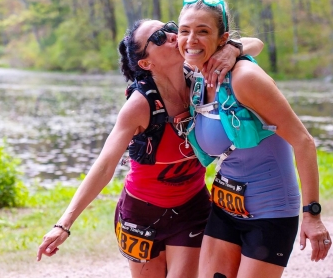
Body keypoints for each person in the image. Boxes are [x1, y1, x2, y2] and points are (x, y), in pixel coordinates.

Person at [36, 16, 263, 278]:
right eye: (158, 37)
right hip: (140, 215)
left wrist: (231, 49)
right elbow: (105, 165)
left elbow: (255, 44)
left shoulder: (202, 75)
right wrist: (63, 225)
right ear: (146, 63)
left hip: (192, 208)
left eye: (169, 28)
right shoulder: (139, 105)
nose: (171, 35)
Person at [177, 0, 332, 278]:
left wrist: (312, 215)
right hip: (225, 209)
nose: (191, 40)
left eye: (203, 31)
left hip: (270, 213)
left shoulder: (244, 78)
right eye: (184, 31)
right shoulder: (194, 73)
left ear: (222, 38)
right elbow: (253, 42)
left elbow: (304, 141)